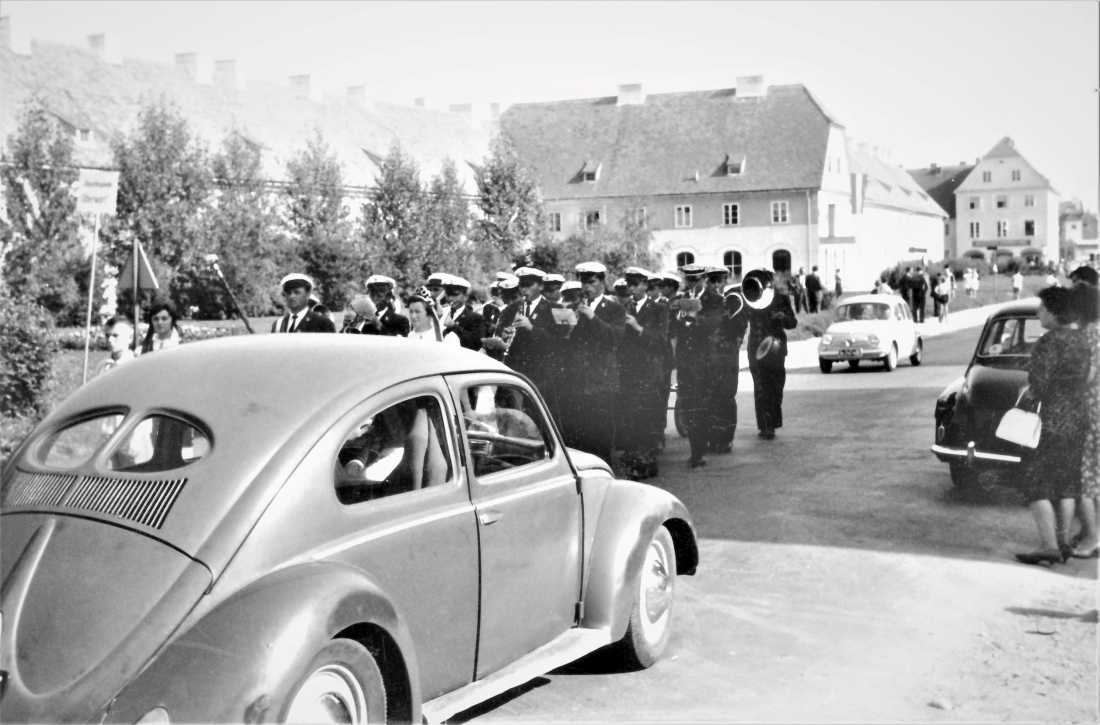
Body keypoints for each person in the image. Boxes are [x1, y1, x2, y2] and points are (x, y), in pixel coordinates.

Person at [1015, 285, 1090, 566]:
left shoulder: (1050, 341)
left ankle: (1049, 545)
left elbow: (1039, 384)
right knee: (1068, 483)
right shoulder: (1081, 340)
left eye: (1041, 308)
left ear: (1054, 312)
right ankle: (1063, 543)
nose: (1038, 313)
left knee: (1034, 481)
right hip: (1077, 415)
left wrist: (1030, 391)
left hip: (1054, 417)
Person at [556, 262, 625, 463]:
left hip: (602, 381)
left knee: (601, 434)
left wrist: (593, 317)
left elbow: (615, 339)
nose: (586, 287)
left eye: (591, 282)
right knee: (579, 435)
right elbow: (563, 343)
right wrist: (566, 325)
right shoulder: (573, 307)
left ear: (603, 282)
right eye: (583, 282)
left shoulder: (614, 308)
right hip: (577, 381)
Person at [617, 267, 670, 480]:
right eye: (628, 284)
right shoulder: (622, 308)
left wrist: (638, 328)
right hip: (627, 371)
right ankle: (633, 463)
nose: (631, 288)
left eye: (635, 283)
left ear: (645, 285)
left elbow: (661, 341)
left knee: (646, 418)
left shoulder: (658, 309)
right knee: (629, 417)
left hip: (648, 372)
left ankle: (648, 464)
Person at [743, 269, 797, 440]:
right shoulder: (749, 298)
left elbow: (792, 323)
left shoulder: (781, 299)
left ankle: (772, 422)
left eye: (767, 280)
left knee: (775, 388)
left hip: (776, 348)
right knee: (760, 388)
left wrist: (783, 318)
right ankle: (766, 426)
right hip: (756, 348)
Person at [1069, 281, 1100, 558]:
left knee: (1084, 479)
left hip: (1091, 412)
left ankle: (1092, 537)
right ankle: (1090, 531)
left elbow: (1087, 375)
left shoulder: (1088, 334)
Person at [342, 275, 409, 336]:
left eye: (380, 294)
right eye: (372, 293)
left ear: (388, 297)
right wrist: (347, 328)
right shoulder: (362, 318)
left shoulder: (401, 321)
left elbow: (399, 345)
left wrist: (379, 326)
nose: (375, 298)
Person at [440, 276, 483, 351]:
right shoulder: (441, 312)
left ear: (466, 296)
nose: (450, 299)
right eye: (448, 294)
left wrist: (454, 326)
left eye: (455, 295)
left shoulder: (475, 318)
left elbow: (476, 344)